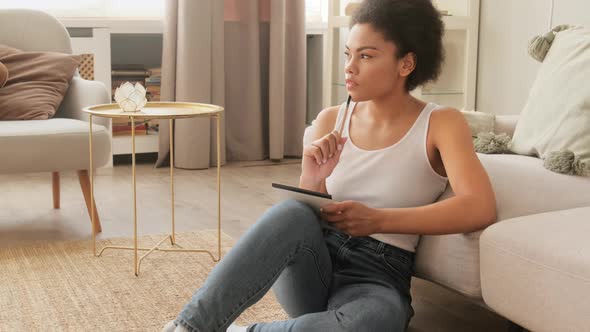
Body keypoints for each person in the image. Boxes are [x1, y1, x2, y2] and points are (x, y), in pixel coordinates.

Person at [163, 0, 496, 331]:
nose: (350, 67)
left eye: (366, 56)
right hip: (314, 260)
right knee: (290, 212)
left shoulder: (441, 123)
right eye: (348, 54)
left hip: (378, 273)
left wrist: (379, 219)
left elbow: (479, 206)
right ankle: (190, 327)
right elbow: (303, 216)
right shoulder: (331, 119)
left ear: (406, 63)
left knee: (380, 319)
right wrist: (313, 176)